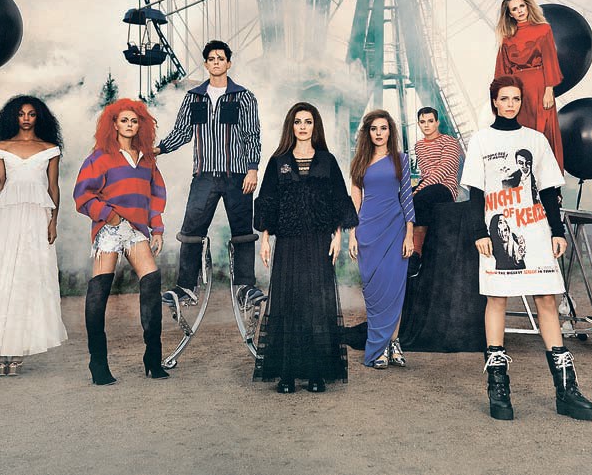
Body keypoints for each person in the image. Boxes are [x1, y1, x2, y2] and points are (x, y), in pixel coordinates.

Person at [462, 76, 592, 421]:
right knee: (497, 300)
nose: (510, 104)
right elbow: (476, 192)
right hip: (498, 231)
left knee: (547, 301)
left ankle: (566, 390)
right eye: (504, 99)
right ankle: (498, 389)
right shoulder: (481, 140)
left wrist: (556, 232)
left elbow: (549, 191)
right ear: (494, 102)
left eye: (516, 99)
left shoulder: (536, 140)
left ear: (521, 102)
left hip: (535, 230)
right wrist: (479, 231)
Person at [253, 102, 358, 394]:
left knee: (316, 305)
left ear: (315, 126)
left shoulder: (327, 160)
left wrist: (338, 235)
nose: (303, 126)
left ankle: (316, 373)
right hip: (288, 242)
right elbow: (268, 201)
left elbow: (338, 199)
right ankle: (286, 374)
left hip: (319, 241)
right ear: (291, 126)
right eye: (298, 121)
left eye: (308, 121)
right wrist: (265, 239)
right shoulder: (278, 162)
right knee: (288, 303)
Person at [0, 95, 68, 376]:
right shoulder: (2, 147)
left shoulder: (50, 149)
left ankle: (18, 349)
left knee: (27, 278)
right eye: (21, 114)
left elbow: (53, 188)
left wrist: (54, 221)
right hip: (7, 218)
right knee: (4, 276)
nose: (26, 119)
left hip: (37, 217)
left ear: (38, 117)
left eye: (31, 114)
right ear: (14, 117)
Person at [155, 40, 264, 311]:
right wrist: (158, 149)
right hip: (204, 175)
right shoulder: (194, 97)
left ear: (228, 63)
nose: (216, 62)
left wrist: (252, 168)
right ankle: (186, 287)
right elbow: (182, 132)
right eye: (211, 59)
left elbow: (251, 135)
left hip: (237, 174)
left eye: (221, 58)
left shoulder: (244, 97)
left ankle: (245, 287)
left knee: (243, 232)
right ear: (206, 64)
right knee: (191, 230)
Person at [74, 99, 169, 384]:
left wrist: (157, 229)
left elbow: (155, 196)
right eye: (124, 120)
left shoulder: (146, 159)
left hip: (136, 229)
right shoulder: (100, 157)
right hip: (110, 227)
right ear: (113, 124)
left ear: (141, 126)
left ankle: (153, 358)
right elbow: (83, 195)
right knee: (100, 288)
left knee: (151, 281)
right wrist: (109, 216)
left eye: (134, 121)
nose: (129, 125)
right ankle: (98, 363)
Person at [348, 110, 415, 369]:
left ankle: (393, 343)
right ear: (368, 132)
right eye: (374, 128)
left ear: (390, 131)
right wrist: (352, 234)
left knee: (395, 289)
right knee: (374, 292)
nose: (378, 133)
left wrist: (409, 234)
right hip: (367, 231)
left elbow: (407, 198)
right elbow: (355, 201)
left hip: (395, 230)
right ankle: (379, 345)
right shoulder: (359, 162)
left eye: (383, 128)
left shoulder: (401, 159)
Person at [494, 0, 565, 170]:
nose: (519, 11)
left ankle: (549, 179)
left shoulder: (543, 29)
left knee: (544, 131)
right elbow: (502, 71)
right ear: (509, 14)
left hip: (540, 86)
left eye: (521, 6)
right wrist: (503, 100)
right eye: (514, 9)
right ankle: (525, 177)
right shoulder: (506, 38)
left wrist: (549, 90)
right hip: (518, 91)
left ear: (528, 7)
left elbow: (549, 59)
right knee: (521, 132)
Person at [410, 106, 462, 276]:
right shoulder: (419, 146)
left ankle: (416, 254)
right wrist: (416, 190)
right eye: (422, 122)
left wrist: (417, 191)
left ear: (437, 122)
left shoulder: (449, 142)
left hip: (445, 187)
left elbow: (443, 170)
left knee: (419, 199)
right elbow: (425, 173)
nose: (426, 125)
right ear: (418, 124)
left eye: (430, 121)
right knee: (398, 200)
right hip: (427, 185)